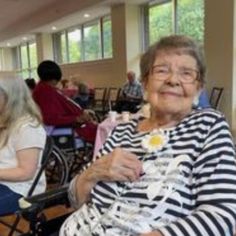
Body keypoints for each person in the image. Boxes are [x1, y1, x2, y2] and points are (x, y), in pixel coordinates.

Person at [60, 35, 236, 236]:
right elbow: (74, 198)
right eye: (162, 70)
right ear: (145, 83)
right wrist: (94, 171)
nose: (172, 80)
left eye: (186, 73)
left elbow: (221, 214)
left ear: (198, 88)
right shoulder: (121, 130)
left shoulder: (208, 125)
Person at [0, 76, 46, 216]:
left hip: (20, 189)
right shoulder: (5, 120)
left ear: (10, 97)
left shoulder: (28, 127)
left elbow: (25, 173)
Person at [33, 60, 97, 143]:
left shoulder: (45, 88)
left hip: (74, 122)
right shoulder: (45, 92)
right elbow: (50, 119)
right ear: (54, 79)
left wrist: (82, 112)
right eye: (55, 81)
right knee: (102, 132)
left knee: (101, 129)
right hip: (67, 128)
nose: (56, 83)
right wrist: (76, 118)